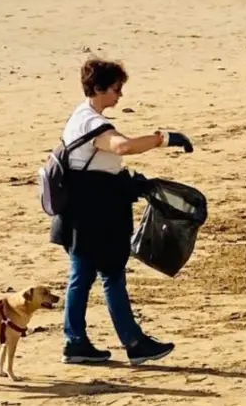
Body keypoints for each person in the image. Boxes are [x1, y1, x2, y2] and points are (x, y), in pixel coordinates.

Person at [50, 56, 192, 365]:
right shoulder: (93, 123)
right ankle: (133, 343)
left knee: (82, 276)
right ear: (99, 88)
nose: (120, 95)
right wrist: (164, 139)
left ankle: (75, 343)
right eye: (116, 89)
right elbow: (122, 147)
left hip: (79, 214)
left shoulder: (80, 115)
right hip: (96, 216)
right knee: (111, 275)